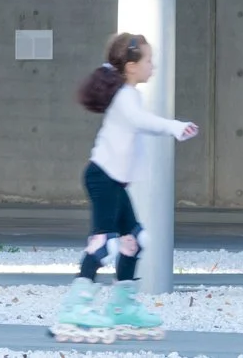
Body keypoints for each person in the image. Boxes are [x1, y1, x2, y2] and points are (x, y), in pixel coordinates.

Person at [52, 33, 198, 343]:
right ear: (131, 66)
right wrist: (175, 127)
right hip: (102, 177)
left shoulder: (128, 92)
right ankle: (75, 307)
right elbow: (140, 121)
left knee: (134, 240)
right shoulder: (125, 97)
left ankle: (122, 307)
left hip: (113, 181)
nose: (152, 66)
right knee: (103, 242)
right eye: (148, 61)